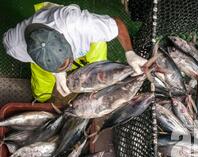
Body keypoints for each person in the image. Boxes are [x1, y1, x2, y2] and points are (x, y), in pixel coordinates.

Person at [2, 2, 147, 102]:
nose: (69, 67)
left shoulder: (79, 25)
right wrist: (57, 74)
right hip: (39, 24)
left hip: (63, 19)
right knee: (41, 91)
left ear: (63, 37)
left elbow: (118, 24)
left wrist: (130, 53)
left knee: (99, 63)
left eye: (68, 61)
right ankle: (43, 94)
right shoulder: (15, 47)